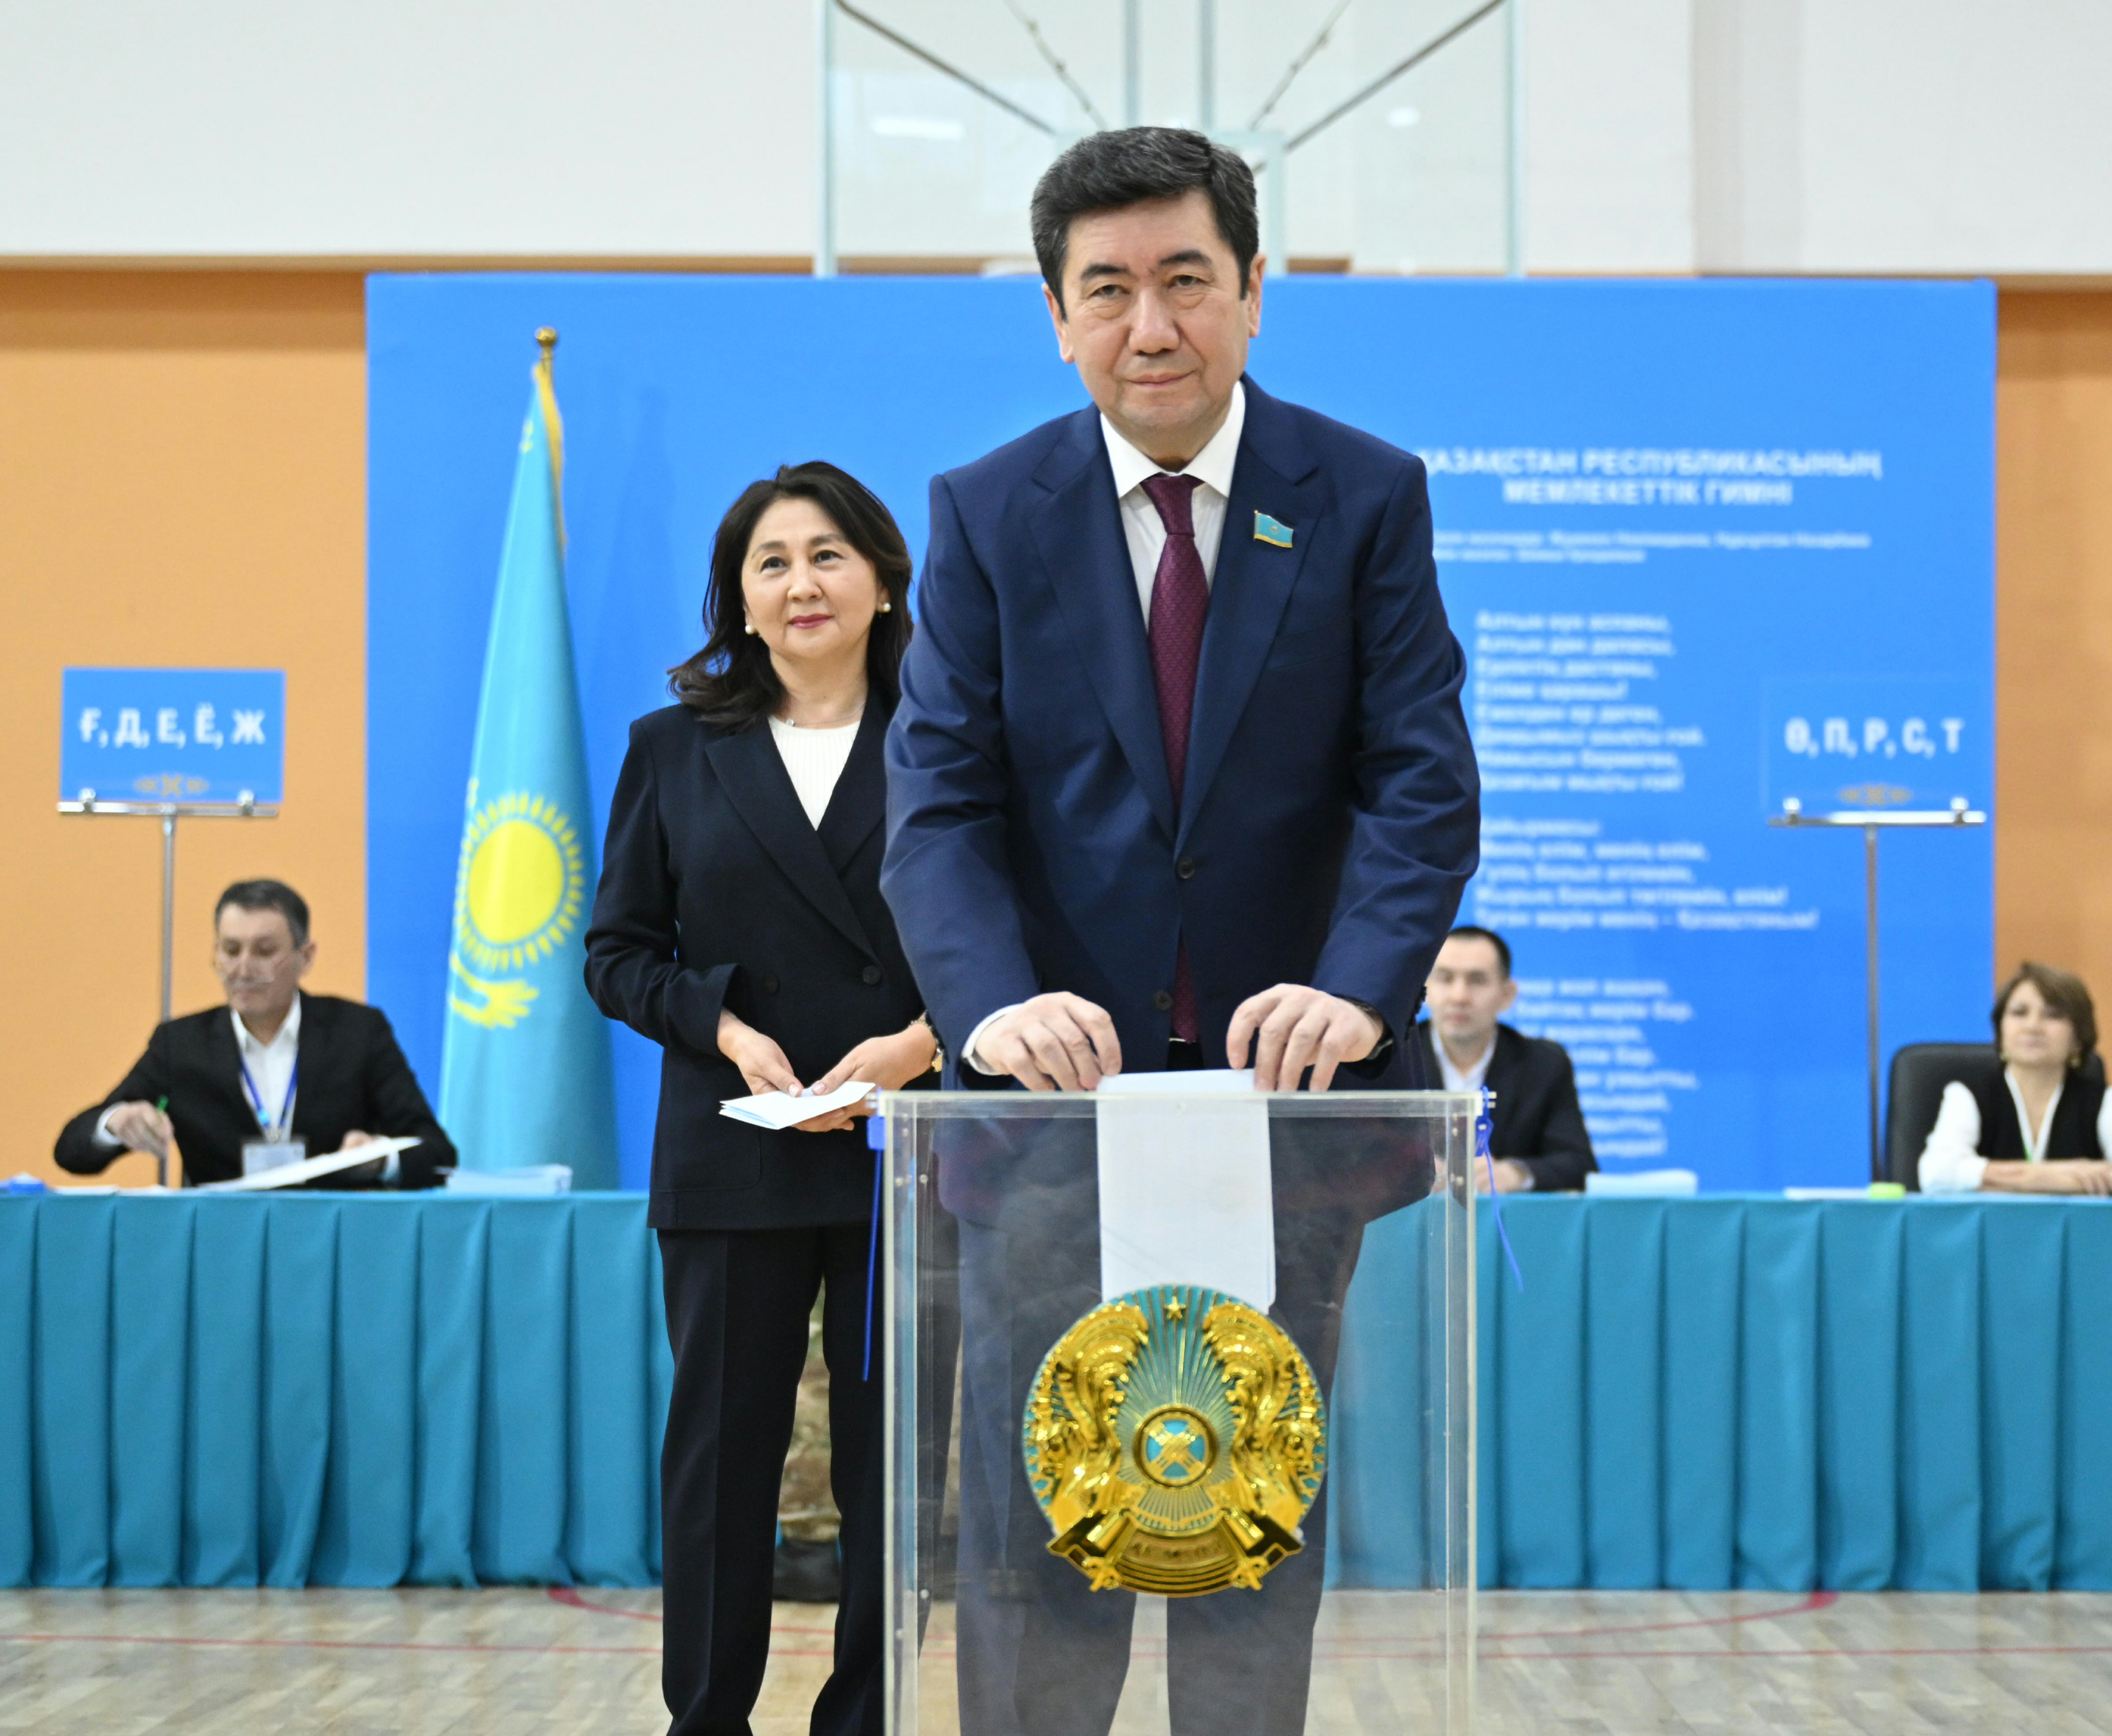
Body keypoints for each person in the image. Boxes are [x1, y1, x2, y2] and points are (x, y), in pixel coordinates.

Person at [882, 129, 1479, 1736]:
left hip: (1286, 1116)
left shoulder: (1360, 496)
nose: (1149, 327)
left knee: (1244, 1518)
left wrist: (1356, 989)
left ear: (1252, 292)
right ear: (1056, 316)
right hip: (1047, 1121)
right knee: (1042, 1525)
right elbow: (935, 802)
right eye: (1107, 290)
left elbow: (1418, 781)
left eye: (1185, 281)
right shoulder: (986, 512)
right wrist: (990, 1006)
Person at [584, 462, 940, 1736]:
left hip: (906, 1142)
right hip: (735, 1146)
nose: (801, 583)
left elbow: (1019, 930)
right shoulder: (671, 748)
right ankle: (704, 1719)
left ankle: (864, 1717)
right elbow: (617, 953)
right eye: (771, 562)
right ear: (737, 598)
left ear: (884, 581)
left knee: (889, 1467)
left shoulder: (953, 735)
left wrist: (918, 1046)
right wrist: (727, 1028)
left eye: (828, 554)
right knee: (721, 1464)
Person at [55, 879, 454, 1188]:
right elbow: (71, 1150)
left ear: (306, 957)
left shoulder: (357, 1032)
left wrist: (380, 1159)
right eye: (231, 950)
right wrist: (116, 1123)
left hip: (333, 1240)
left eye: (264, 951)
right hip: (221, 1242)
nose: (243, 969)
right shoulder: (181, 1045)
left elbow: (437, 1152)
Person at [1916, 960, 2112, 1196]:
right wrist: (2047, 1175)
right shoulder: (1968, 1094)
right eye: (2019, 1013)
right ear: (2000, 1030)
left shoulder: (2100, 1101)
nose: (2033, 1026)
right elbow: (1936, 1173)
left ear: (2078, 1038)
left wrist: (2011, 1180)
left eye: (2053, 1016)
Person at [1416, 925, 1595, 1193]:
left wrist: (1518, 1174)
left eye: (1477, 980)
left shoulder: (1543, 1064)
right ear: (1424, 988)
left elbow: (1579, 1165)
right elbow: (1360, 1157)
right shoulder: (1393, 1058)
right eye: (1445, 978)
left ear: (1507, 995)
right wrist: (1407, 1172)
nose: (1459, 996)